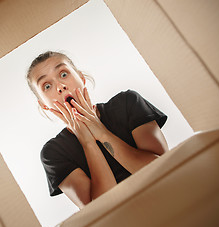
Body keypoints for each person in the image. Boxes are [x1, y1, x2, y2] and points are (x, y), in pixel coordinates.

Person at [26, 51, 168, 209]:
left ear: (81, 78)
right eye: (47, 86)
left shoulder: (127, 103)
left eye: (64, 74)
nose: (60, 86)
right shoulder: (53, 153)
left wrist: (101, 132)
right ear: (44, 105)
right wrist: (88, 142)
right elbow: (101, 209)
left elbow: (164, 168)